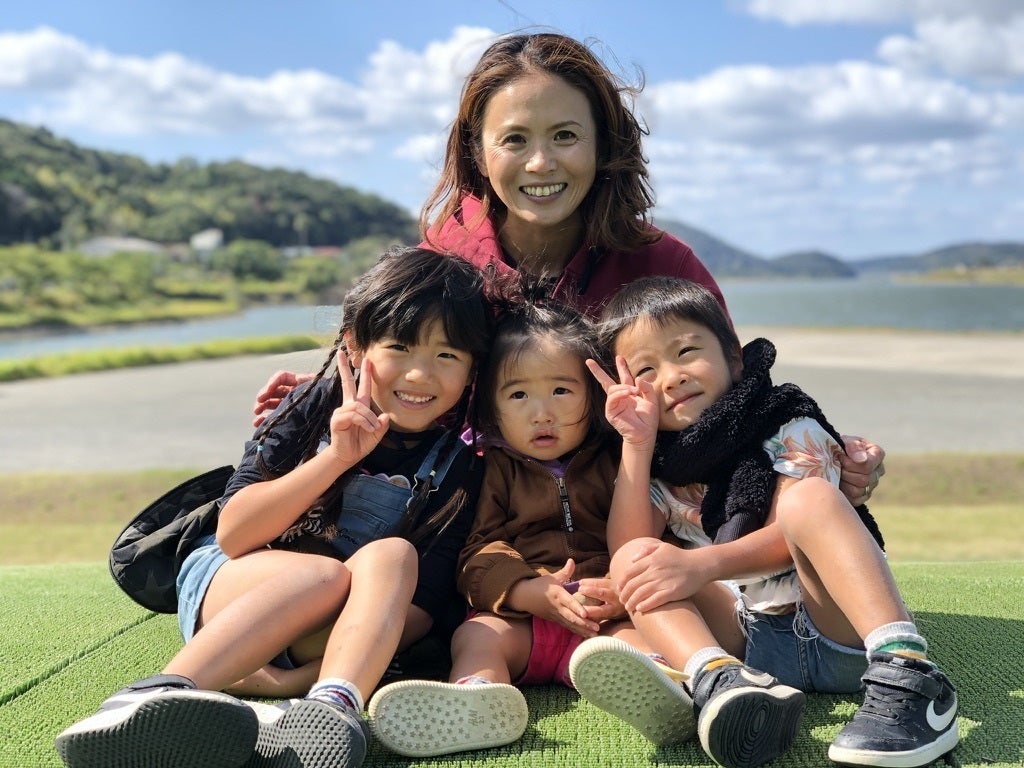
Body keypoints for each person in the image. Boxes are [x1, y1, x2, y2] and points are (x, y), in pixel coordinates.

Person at [250, 31, 886, 505]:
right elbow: (417, 375)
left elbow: (728, 402)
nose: (540, 163)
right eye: (515, 139)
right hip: (477, 519)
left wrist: (833, 454)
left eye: (565, 136)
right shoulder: (445, 257)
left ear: (603, 144)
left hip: (637, 515)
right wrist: (330, 393)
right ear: (477, 151)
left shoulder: (663, 266)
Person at [54, 247, 494, 768]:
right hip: (236, 588)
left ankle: (330, 707)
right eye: (399, 346)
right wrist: (336, 458)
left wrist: (296, 678)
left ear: (472, 369)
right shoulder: (311, 406)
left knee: (393, 556)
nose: (420, 375)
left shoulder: (461, 464)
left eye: (447, 355)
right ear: (355, 346)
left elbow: (418, 608)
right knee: (321, 576)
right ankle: (157, 694)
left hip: (339, 634)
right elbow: (234, 535)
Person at [572, 276, 958, 768]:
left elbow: (796, 535)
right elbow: (626, 552)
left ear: (734, 358)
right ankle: (716, 679)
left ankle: (907, 672)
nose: (671, 377)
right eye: (646, 369)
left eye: (686, 351)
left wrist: (702, 565)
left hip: (833, 628)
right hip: (747, 645)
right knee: (637, 559)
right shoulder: (665, 468)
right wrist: (637, 443)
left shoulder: (789, 424)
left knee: (811, 498)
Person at [365, 294, 692, 758]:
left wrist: (623, 590)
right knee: (475, 638)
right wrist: (526, 591)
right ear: (491, 409)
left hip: (604, 619)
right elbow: (477, 552)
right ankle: (479, 699)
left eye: (561, 391)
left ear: (594, 393)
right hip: (519, 619)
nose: (542, 413)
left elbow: (656, 537)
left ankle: (663, 693)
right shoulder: (489, 468)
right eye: (518, 395)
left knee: (634, 645)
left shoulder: (618, 457)